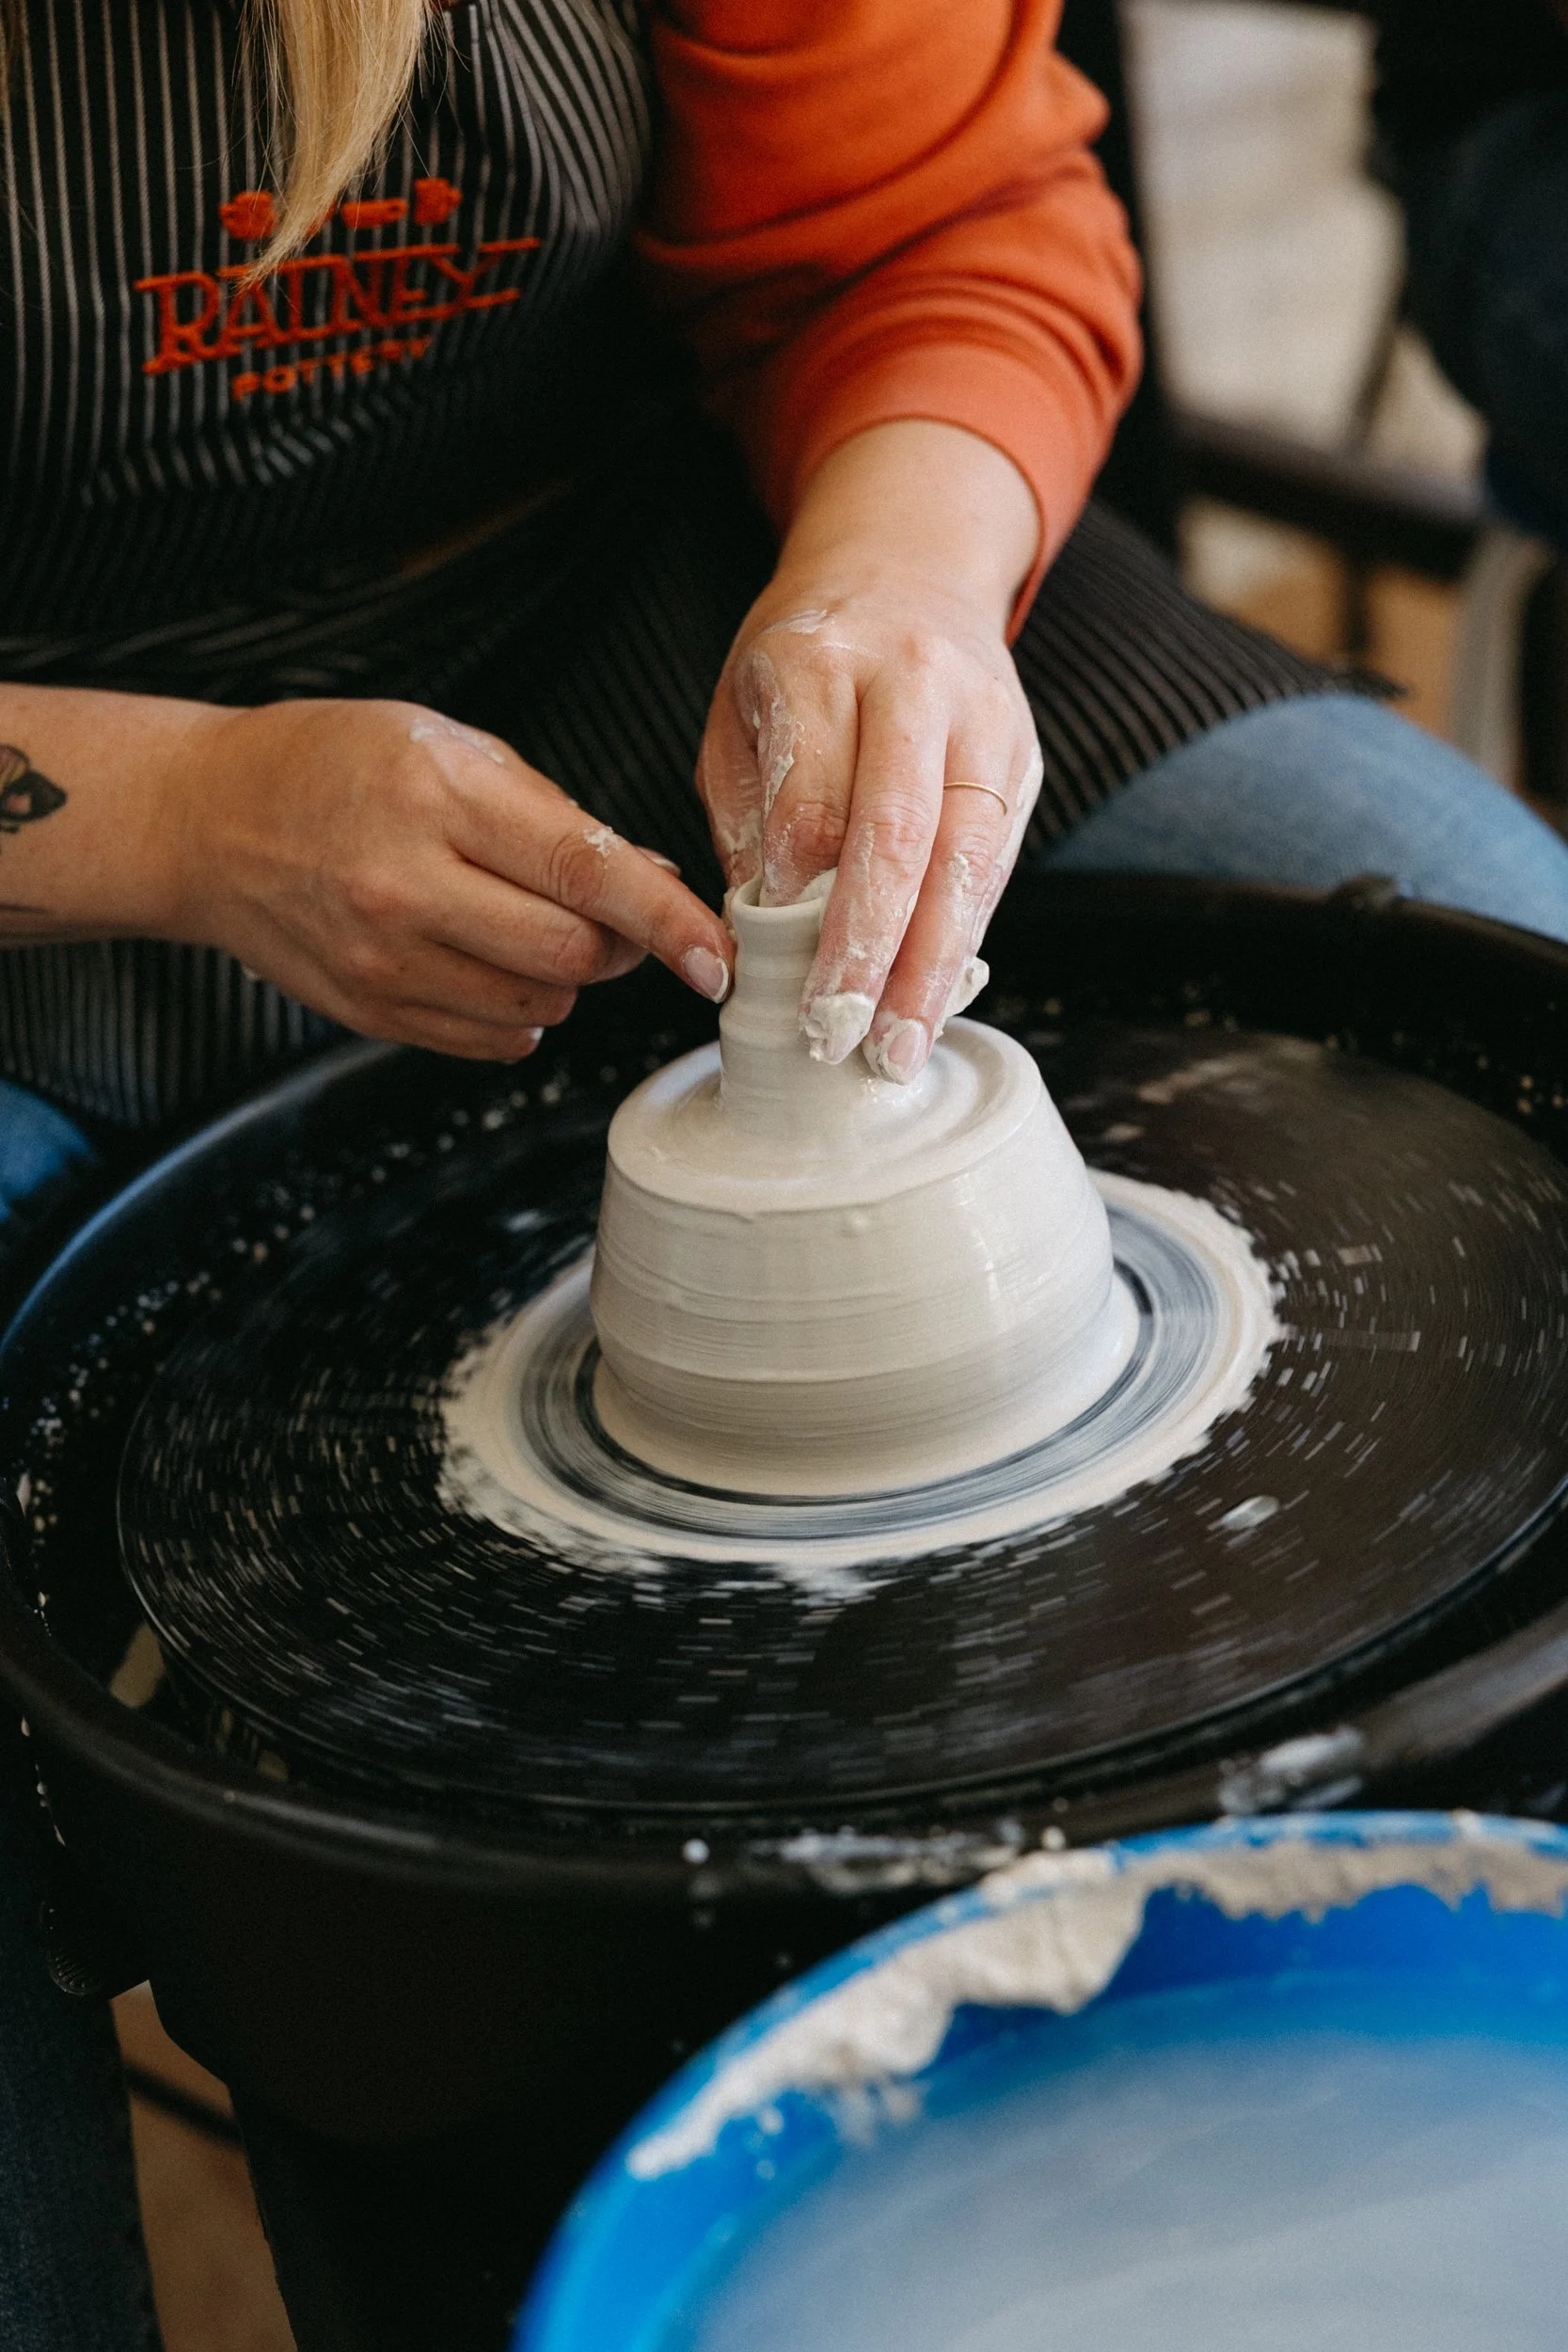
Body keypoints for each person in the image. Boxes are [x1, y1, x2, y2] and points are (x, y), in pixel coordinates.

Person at [6, 2, 1568, 2344]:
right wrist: (172, 817)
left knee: (1505, 951)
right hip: (54, 793)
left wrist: (895, 583)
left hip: (657, 578)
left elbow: (924, 224)